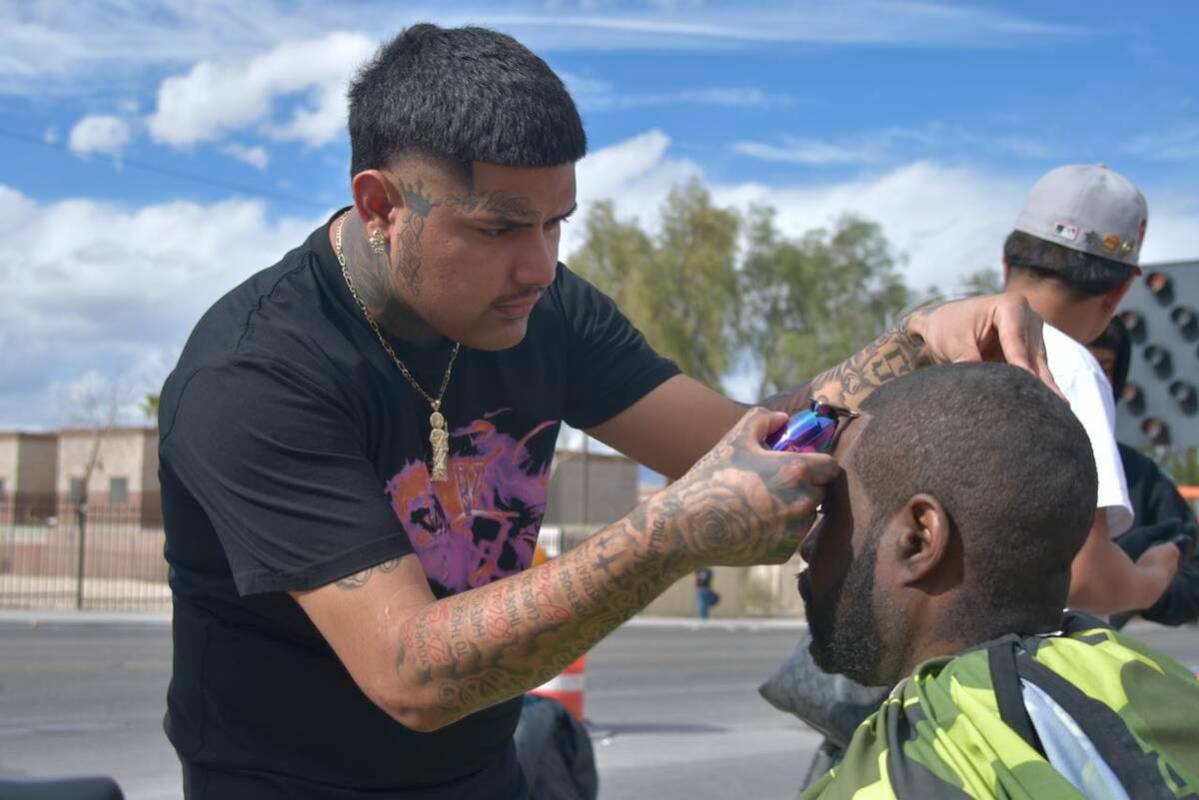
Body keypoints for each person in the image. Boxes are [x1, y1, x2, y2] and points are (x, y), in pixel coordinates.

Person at [157, 24, 1057, 799]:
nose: (539, 266)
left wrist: (912, 342)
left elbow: (742, 444)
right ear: (381, 206)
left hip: (484, 778)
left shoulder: (541, 309)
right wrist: (668, 536)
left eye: (557, 224)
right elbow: (412, 675)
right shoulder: (258, 373)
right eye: (498, 227)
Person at [796, 363, 1199, 799]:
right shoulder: (1167, 693)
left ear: (918, 539)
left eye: (831, 512)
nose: (808, 544)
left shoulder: (896, 779)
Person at [1000, 164, 1180, 614]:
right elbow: (1084, 580)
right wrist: (1154, 575)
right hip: (987, 668)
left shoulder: (932, 338)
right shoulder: (1069, 367)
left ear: (1007, 263)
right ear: (1118, 293)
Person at [1087, 317, 1199, 627]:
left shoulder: (1137, 473)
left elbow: (1190, 572)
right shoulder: (996, 455)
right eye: (1071, 362)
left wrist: (1138, 582)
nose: (1087, 378)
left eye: (1102, 367)